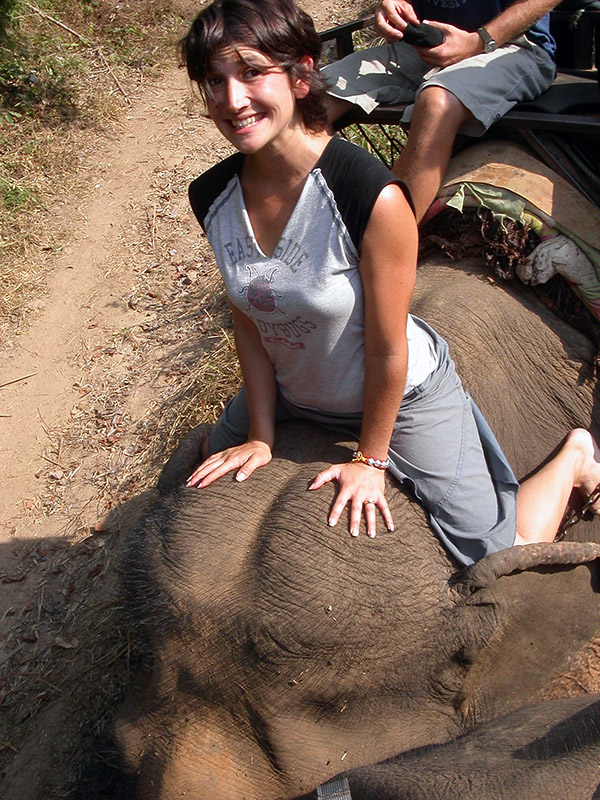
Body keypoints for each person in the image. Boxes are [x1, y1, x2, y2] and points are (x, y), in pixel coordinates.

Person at [179, 0, 600, 567]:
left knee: (493, 556)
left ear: (301, 75)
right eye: (214, 81)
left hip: (399, 397)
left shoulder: (369, 194)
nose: (232, 100)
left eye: (252, 72)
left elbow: (387, 346)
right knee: (204, 455)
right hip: (297, 386)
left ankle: (574, 457)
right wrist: (260, 432)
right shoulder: (211, 195)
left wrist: (371, 460)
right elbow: (250, 317)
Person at [322, 0, 560, 222]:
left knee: (437, 103)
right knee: (314, 96)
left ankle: (385, 246)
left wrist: (480, 40)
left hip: (513, 45)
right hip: (428, 44)